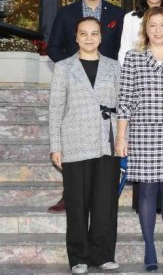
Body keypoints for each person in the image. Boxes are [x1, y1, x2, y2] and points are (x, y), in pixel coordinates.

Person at [115, 7, 163, 272]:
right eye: (153, 25)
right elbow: (125, 100)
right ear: (145, 29)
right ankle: (149, 247)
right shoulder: (133, 57)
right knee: (147, 190)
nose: (158, 30)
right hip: (142, 133)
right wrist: (121, 137)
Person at [46, 0, 124, 214]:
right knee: (74, 144)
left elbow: (122, 50)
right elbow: (53, 47)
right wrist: (72, 70)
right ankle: (69, 194)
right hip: (75, 86)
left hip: (106, 86)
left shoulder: (118, 14)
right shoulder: (65, 13)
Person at [48, 17, 121, 275]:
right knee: (77, 204)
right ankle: (78, 257)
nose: (89, 38)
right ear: (76, 37)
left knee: (105, 203)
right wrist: (56, 146)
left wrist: (123, 139)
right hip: (74, 142)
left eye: (94, 33)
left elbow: (123, 106)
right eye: (84, 33)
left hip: (106, 142)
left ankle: (103, 254)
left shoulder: (114, 66)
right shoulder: (64, 67)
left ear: (101, 37)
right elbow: (56, 108)